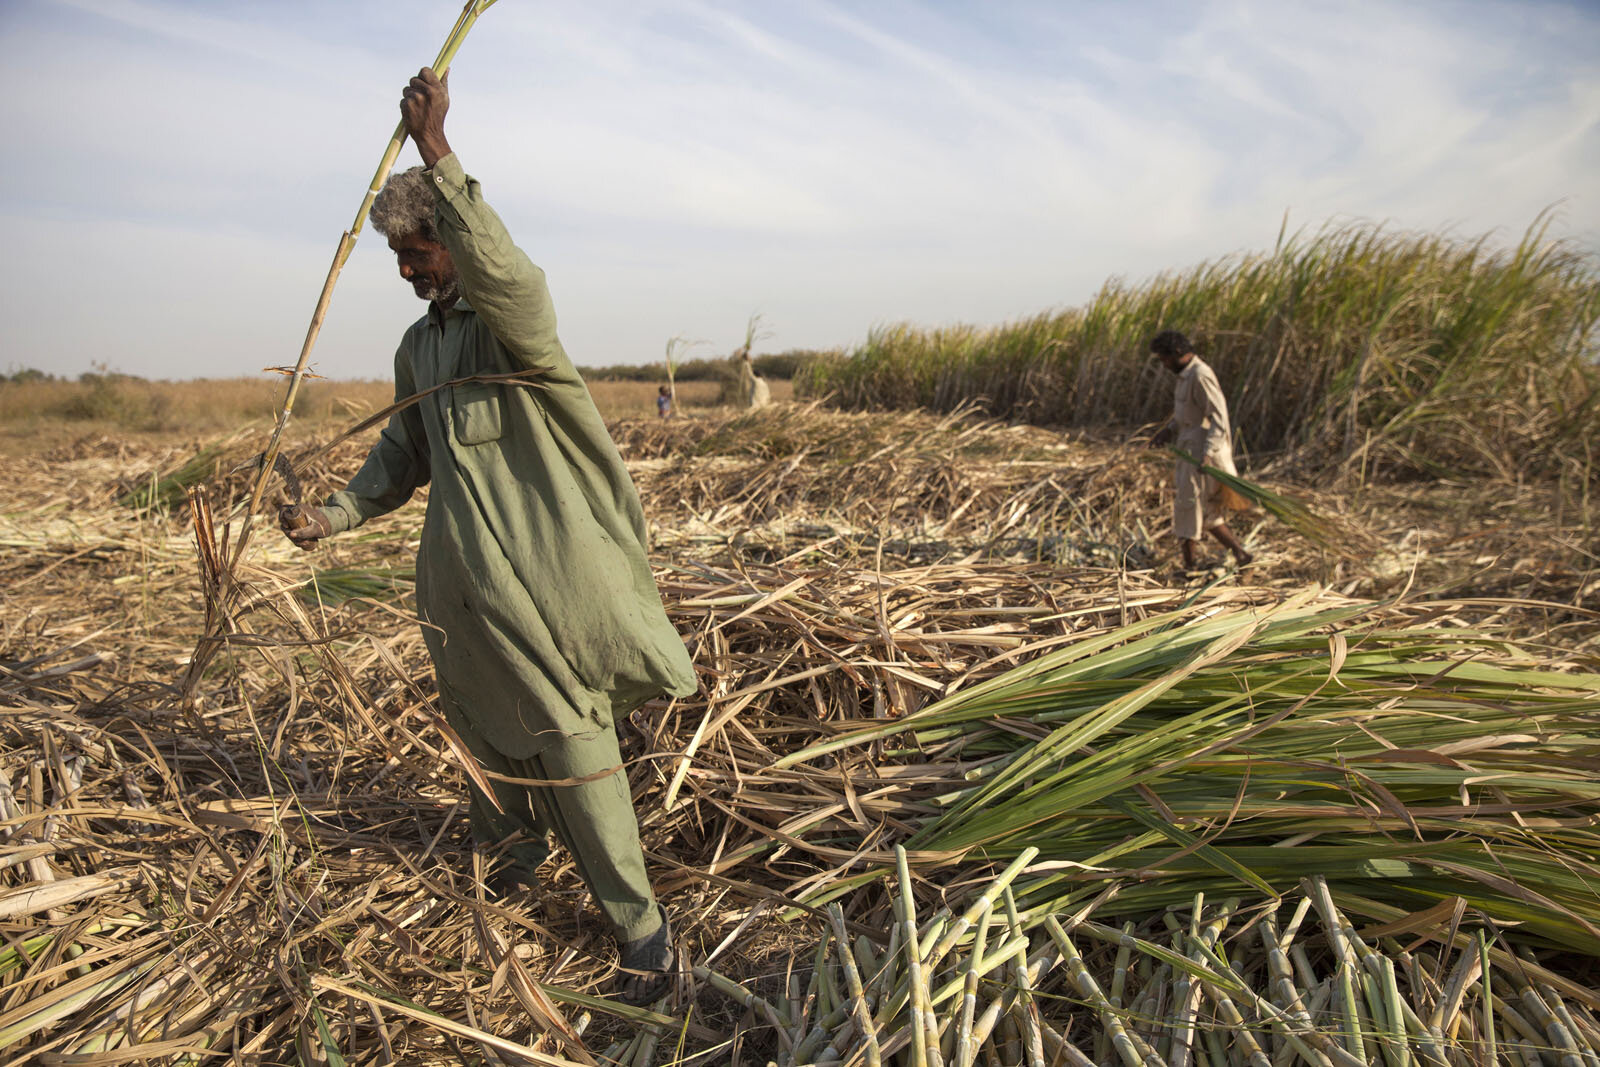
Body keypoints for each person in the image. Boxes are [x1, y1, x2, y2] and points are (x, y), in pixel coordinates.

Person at [278, 68, 696, 1005]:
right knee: (486, 738)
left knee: (573, 745)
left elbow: (510, 274)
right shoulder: (421, 347)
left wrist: (439, 152)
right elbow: (402, 453)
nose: (408, 271)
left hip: (542, 595)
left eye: (419, 252)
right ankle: (508, 878)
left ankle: (642, 932)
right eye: (397, 258)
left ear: (453, 241)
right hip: (460, 598)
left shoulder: (514, 333)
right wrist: (332, 515)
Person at [1148, 330, 1254, 571]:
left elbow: (1219, 418)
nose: (1163, 364)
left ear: (1176, 354)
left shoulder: (1200, 375)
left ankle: (1189, 568)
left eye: (1164, 358)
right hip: (1190, 447)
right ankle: (1242, 556)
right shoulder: (1186, 376)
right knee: (1205, 512)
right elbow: (1186, 415)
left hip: (1201, 453)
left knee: (1188, 507)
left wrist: (1207, 453)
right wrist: (1168, 430)